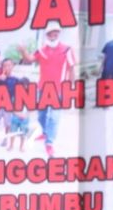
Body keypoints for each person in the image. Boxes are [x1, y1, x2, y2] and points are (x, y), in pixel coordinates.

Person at [20, 21, 76, 156]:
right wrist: (23, 51)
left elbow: (72, 68)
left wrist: (70, 88)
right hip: (42, 89)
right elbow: (30, 59)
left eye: (55, 33)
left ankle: (50, 143)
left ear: (59, 34)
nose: (53, 35)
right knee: (42, 115)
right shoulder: (42, 50)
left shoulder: (67, 49)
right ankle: (45, 133)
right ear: (47, 35)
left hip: (59, 89)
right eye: (50, 33)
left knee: (54, 117)